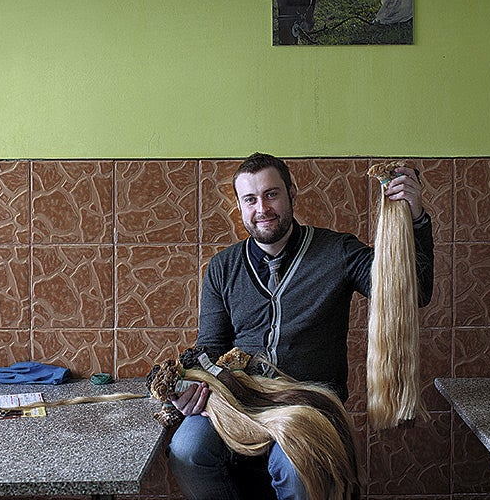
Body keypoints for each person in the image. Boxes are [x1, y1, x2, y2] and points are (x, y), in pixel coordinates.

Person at [167, 152, 434, 500]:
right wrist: (190, 388)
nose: (261, 207)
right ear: (240, 206)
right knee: (187, 449)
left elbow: (413, 292)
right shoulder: (223, 266)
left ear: (292, 194)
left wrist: (415, 218)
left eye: (271, 194)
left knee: (295, 467)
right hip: (239, 399)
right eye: (250, 199)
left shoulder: (338, 251)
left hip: (312, 403)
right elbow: (210, 349)